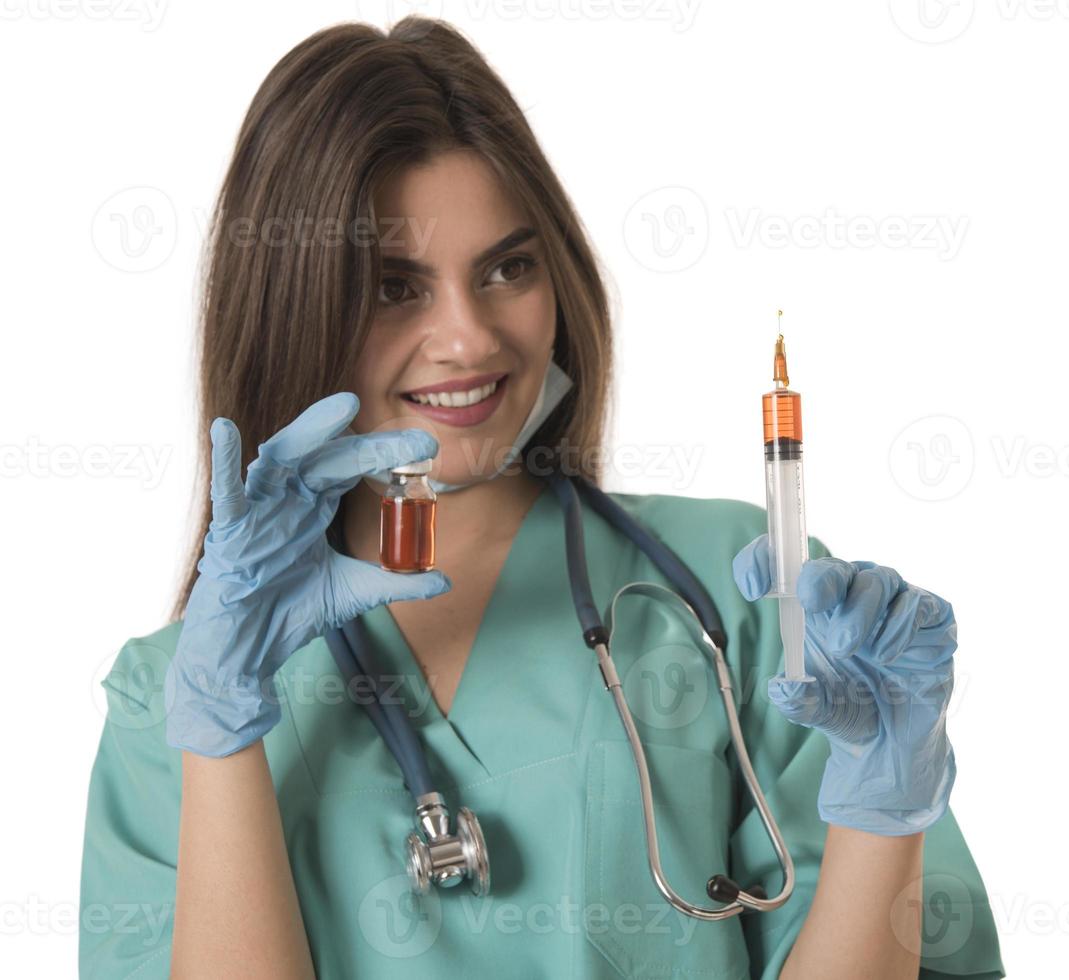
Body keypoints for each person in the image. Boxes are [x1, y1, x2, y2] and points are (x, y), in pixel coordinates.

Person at [78, 17, 1003, 980]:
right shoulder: (173, 699)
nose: (470, 338)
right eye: (396, 287)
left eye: (507, 268)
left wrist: (883, 817)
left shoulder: (742, 598)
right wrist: (223, 738)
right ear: (293, 304)